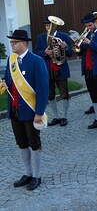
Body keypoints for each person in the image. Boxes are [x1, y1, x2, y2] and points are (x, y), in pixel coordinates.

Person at [2, 30, 49, 190]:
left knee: (34, 143)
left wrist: (39, 112)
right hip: (15, 110)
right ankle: (27, 173)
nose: (12, 45)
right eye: (12, 42)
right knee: (21, 143)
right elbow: (9, 81)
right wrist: (4, 85)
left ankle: (36, 175)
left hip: (31, 111)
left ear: (24, 43)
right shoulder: (11, 60)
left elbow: (43, 89)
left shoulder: (37, 61)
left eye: (14, 42)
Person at [35, 18, 73, 127]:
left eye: (50, 25)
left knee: (64, 93)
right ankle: (56, 116)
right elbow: (36, 52)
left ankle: (64, 116)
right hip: (47, 69)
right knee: (50, 94)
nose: (48, 28)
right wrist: (45, 52)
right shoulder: (41, 37)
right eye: (46, 26)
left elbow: (70, 53)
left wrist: (65, 48)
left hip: (61, 68)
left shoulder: (64, 36)